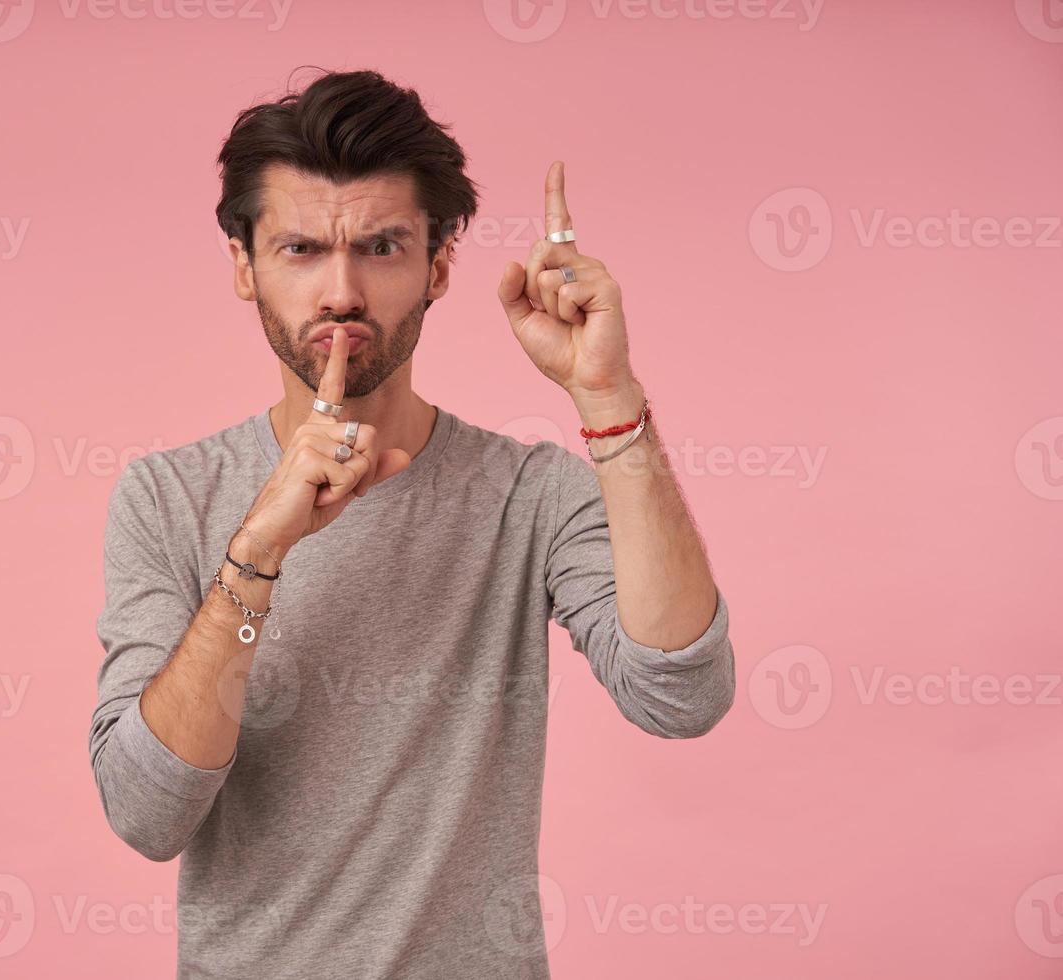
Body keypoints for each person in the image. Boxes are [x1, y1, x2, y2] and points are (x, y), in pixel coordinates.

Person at [90, 68, 735, 979]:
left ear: (439, 265)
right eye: (302, 250)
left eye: (383, 248)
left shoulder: (529, 496)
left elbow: (683, 697)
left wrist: (609, 398)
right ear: (245, 266)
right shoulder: (167, 497)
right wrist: (258, 554)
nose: (343, 294)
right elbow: (145, 814)